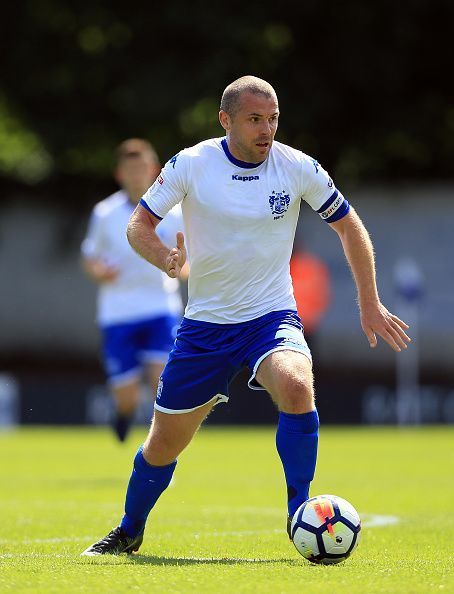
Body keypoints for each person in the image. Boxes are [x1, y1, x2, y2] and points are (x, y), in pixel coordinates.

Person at [81, 76, 410, 555]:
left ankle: (300, 511)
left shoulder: (296, 166)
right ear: (226, 120)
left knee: (297, 384)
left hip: (269, 317)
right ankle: (130, 527)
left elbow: (349, 226)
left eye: (273, 118)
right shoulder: (192, 164)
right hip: (204, 329)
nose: (267, 129)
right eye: (255, 119)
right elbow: (140, 225)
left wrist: (369, 301)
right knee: (163, 443)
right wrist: (163, 258)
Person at [81, 138, 185, 442]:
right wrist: (98, 272)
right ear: (119, 174)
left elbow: (189, 260)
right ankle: (123, 414)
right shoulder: (105, 213)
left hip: (160, 309)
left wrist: (180, 268)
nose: (136, 175)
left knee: (161, 384)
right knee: (126, 397)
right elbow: (90, 257)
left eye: (142, 168)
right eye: (130, 169)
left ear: (154, 170)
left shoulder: (174, 212)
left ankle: (158, 456)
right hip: (118, 313)